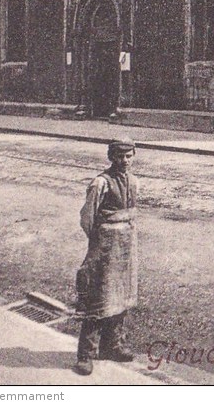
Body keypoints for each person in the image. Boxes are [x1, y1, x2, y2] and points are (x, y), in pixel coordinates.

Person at [74, 138, 139, 375]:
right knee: (98, 297)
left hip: (126, 246)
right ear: (111, 157)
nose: (124, 161)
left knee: (121, 296)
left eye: (129, 156)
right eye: (120, 156)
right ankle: (85, 355)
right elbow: (87, 217)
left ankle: (112, 346)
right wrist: (99, 242)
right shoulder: (100, 183)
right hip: (105, 246)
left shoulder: (133, 181)